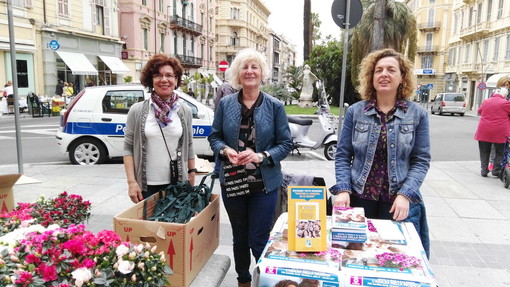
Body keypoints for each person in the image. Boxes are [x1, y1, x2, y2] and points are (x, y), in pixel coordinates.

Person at [329, 48, 431, 255]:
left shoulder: (417, 114)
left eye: (391, 70)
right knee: (356, 254)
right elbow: (342, 155)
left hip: (396, 201)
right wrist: (343, 189)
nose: (384, 74)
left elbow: (421, 160)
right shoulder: (355, 111)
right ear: (371, 77)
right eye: (379, 70)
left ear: (402, 77)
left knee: (391, 256)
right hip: (359, 197)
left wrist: (406, 195)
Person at [208, 48, 292, 287]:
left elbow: (285, 143)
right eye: (245, 67)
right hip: (233, 182)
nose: (250, 71)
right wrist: (226, 151)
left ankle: (264, 278)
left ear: (262, 72)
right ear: (238, 73)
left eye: (254, 67)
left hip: (264, 184)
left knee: (259, 237)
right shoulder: (225, 104)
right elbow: (215, 138)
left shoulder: (274, 106)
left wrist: (261, 156)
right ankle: (243, 280)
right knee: (239, 237)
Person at [124, 54, 196, 203]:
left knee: (176, 226)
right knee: (149, 226)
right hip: (146, 187)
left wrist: (192, 174)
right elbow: (128, 148)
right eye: (158, 75)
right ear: (151, 80)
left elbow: (189, 145)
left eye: (169, 75)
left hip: (177, 185)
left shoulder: (185, 111)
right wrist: (132, 182)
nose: (164, 80)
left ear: (176, 80)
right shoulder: (137, 111)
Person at [474, 87, 510, 177]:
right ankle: (496, 170)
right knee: (499, 152)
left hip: (484, 130)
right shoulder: (506, 103)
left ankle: (484, 170)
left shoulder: (486, 101)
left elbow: (479, 111)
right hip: (499, 131)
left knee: (484, 151)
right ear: (505, 95)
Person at [488, 75, 510, 171]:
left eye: (508, 85)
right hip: (498, 122)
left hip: (507, 122)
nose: (506, 86)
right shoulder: (495, 94)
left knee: (506, 145)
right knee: (495, 144)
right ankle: (493, 163)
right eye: (504, 84)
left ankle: (505, 163)